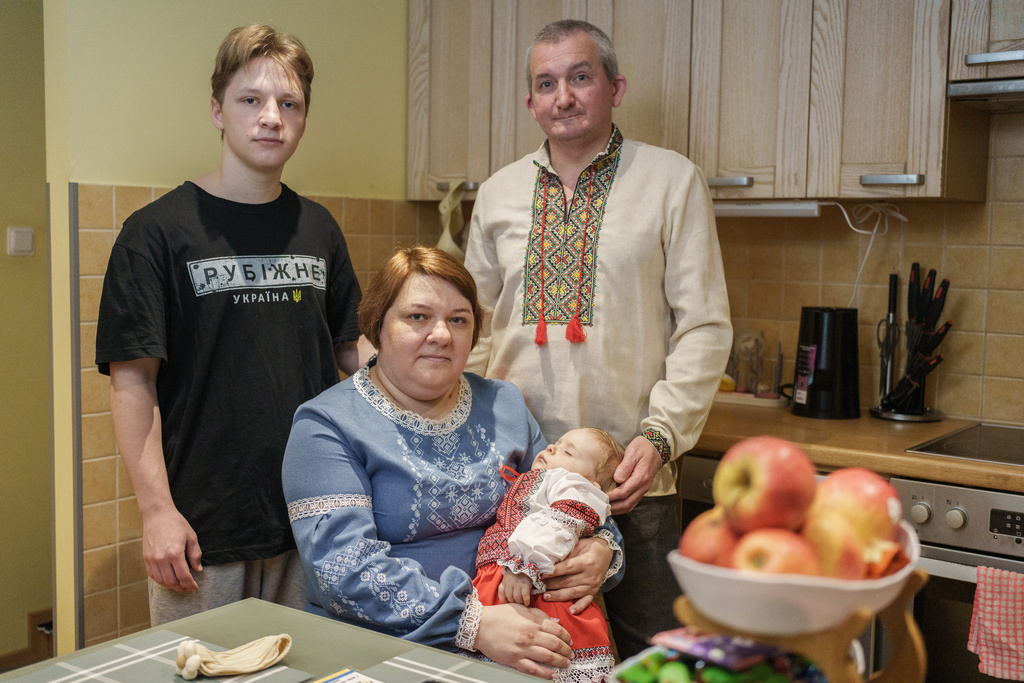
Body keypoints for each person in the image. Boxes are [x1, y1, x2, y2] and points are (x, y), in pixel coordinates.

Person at [464, 19, 733, 657]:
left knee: (649, 656)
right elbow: (469, 326)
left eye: (580, 77)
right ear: (530, 102)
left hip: (631, 481)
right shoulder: (498, 193)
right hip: (518, 480)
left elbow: (704, 323)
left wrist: (660, 435)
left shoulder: (673, 181)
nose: (563, 96)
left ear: (615, 87)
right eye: (546, 83)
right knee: (529, 654)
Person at [95, 24, 362, 625]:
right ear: (217, 110)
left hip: (312, 516)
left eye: (288, 104)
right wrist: (157, 512)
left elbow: (352, 352)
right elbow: (131, 383)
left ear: (303, 119)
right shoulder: (155, 233)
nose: (271, 117)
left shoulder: (318, 230)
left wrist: (427, 379)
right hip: (201, 532)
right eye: (251, 100)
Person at [281, 247, 622, 680]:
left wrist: (601, 549)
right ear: (377, 326)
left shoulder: (506, 404)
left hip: (527, 642)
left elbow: (575, 491)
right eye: (418, 317)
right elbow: (343, 569)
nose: (441, 334)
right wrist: (474, 622)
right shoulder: (326, 425)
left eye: (458, 319)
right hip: (384, 650)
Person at [474, 428, 625, 682]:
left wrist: (525, 565)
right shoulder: (543, 481)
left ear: (592, 484)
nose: (552, 447)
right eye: (556, 443)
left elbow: (559, 523)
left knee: (543, 664)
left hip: (533, 589)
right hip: (505, 584)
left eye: (568, 451)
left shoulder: (572, 488)